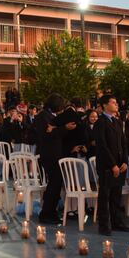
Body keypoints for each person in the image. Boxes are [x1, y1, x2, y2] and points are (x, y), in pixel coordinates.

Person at [93, 94, 129, 236]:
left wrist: (124, 162)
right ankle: (104, 225)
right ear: (104, 105)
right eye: (113, 102)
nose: (116, 105)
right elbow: (102, 146)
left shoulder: (116, 122)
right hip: (106, 166)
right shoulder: (100, 122)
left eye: (116, 102)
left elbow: (123, 143)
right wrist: (112, 165)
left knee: (116, 195)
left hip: (119, 164)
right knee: (105, 195)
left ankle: (117, 222)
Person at [36, 93, 74, 225]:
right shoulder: (43, 116)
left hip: (54, 154)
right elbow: (49, 134)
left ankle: (51, 211)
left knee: (56, 183)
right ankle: (46, 213)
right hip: (49, 155)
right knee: (54, 183)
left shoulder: (50, 116)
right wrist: (65, 128)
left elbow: (54, 131)